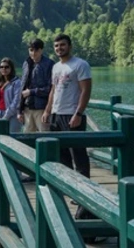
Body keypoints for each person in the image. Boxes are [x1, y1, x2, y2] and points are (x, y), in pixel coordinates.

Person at [42, 34, 92, 179]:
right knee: (61, 154)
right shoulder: (56, 67)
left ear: (70, 46)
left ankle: (84, 192)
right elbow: (53, 90)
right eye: (56, 46)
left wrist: (79, 113)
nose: (59, 48)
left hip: (72, 115)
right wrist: (47, 110)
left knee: (78, 154)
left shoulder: (80, 65)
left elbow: (86, 90)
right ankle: (69, 187)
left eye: (62, 45)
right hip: (56, 115)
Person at [18, 39, 54, 133]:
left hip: (42, 107)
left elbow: (50, 88)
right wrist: (19, 110)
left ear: (41, 50)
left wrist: (31, 91)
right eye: (31, 50)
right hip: (27, 107)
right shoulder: (26, 63)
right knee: (28, 138)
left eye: (36, 50)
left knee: (45, 136)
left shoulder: (49, 64)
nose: (33, 53)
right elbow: (22, 86)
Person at [0, 58, 22, 133]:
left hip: (13, 115)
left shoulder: (17, 82)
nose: (4, 69)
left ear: (11, 68)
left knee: (12, 139)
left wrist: (6, 116)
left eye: (6, 67)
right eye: (1, 67)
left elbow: (16, 100)